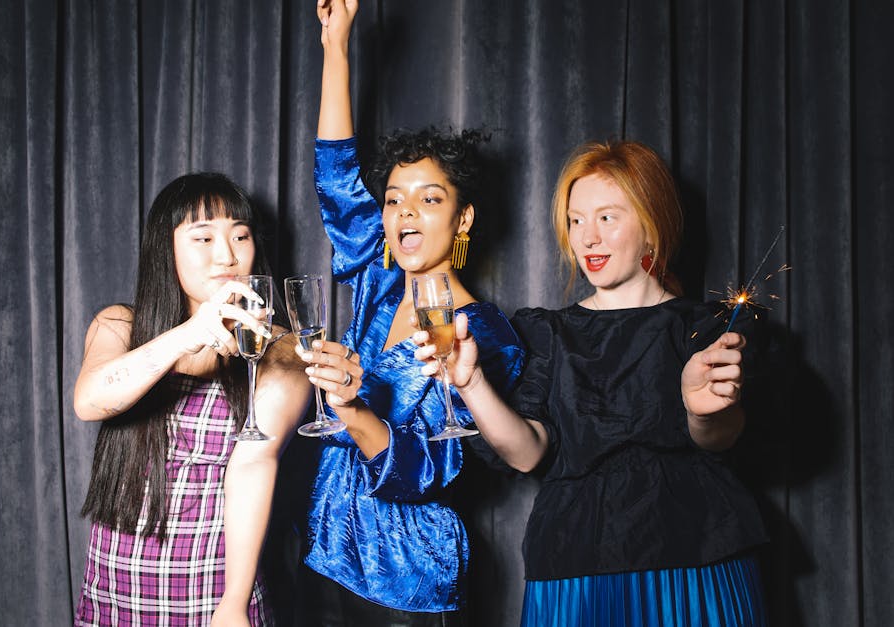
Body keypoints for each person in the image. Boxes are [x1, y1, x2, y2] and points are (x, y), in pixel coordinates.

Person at [415, 140, 769, 626]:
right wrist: (471, 381)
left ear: (652, 224)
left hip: (694, 555)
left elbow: (720, 437)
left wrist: (699, 411)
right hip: (575, 559)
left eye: (607, 217)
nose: (588, 238)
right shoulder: (546, 332)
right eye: (576, 220)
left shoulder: (705, 328)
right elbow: (526, 453)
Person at [289, 0, 524, 623]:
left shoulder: (489, 337)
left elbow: (436, 469)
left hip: (407, 576)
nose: (404, 214)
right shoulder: (379, 280)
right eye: (394, 201)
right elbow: (337, 178)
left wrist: (350, 406)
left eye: (429, 198)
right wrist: (335, 45)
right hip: (323, 551)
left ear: (463, 217)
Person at [73, 172, 312, 626]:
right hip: (115, 586)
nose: (227, 255)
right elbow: (89, 401)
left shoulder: (279, 350)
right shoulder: (120, 325)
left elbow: (255, 464)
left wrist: (234, 603)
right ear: (167, 249)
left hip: (215, 587)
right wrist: (189, 335)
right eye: (203, 237)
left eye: (240, 236)